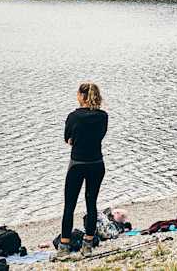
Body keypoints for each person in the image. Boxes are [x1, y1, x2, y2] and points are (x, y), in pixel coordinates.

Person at [58, 82, 108, 257]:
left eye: (77, 94)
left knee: (69, 205)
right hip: (97, 163)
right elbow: (100, 136)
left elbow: (67, 139)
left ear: (82, 96)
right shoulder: (103, 116)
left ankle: (63, 247)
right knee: (91, 203)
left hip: (77, 164)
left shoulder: (73, 116)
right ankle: (87, 245)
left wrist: (75, 140)